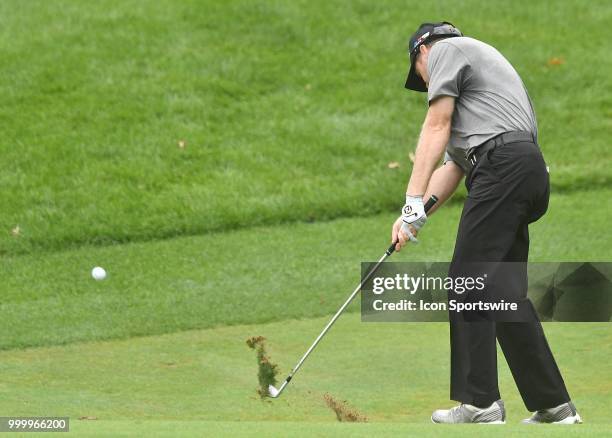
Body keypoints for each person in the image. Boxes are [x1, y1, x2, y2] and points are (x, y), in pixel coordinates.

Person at [391, 21, 582, 424]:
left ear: (422, 51)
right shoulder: (479, 97)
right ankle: (554, 405)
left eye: (419, 77)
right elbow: (455, 166)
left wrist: (410, 196)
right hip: (524, 171)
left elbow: (435, 125)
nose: (426, 86)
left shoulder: (446, 50)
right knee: (500, 291)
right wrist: (416, 216)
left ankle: (480, 403)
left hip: (502, 169)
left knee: (466, 280)